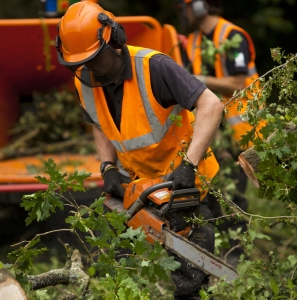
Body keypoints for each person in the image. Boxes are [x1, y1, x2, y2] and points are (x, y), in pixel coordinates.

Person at [56, 1, 224, 298]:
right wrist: (108, 166)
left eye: (96, 59)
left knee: (190, 281)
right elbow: (99, 121)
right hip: (139, 184)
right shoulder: (85, 81)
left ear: (116, 40)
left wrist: (189, 165)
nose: (91, 69)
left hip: (184, 181)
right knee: (120, 272)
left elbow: (211, 105)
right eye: (83, 64)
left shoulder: (155, 67)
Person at [175, 0, 264, 267]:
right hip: (214, 131)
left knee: (234, 196)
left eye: (185, 5)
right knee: (212, 194)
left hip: (241, 133)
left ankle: (236, 257)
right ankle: (218, 253)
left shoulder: (232, 36)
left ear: (200, 6)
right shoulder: (193, 41)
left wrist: (195, 79)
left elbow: (237, 82)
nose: (182, 11)